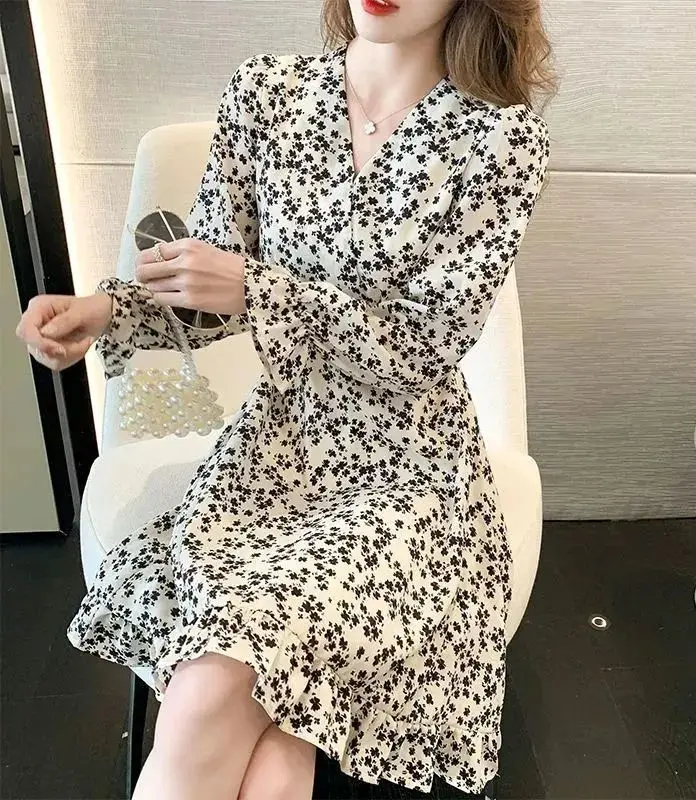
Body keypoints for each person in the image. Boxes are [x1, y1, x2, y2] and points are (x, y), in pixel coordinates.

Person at [15, 0, 555, 797]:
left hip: (409, 475)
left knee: (209, 690)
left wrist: (258, 288)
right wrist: (107, 312)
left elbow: (425, 346)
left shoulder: (501, 140)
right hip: (273, 459)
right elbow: (205, 291)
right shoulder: (267, 94)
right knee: (268, 751)